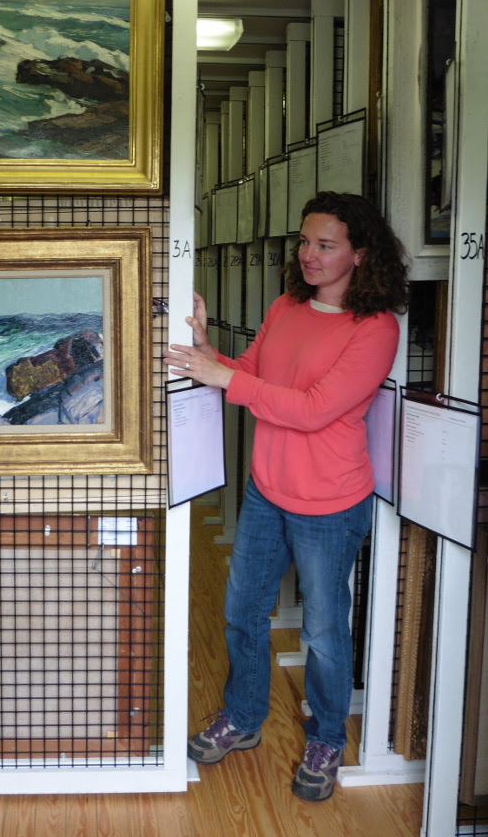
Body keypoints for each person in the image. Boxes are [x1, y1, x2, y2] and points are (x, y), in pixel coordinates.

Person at [163, 191, 409, 802]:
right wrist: (207, 348)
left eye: (325, 245)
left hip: (329, 501)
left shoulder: (376, 328)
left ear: (360, 254)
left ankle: (326, 737)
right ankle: (243, 719)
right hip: (267, 490)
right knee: (240, 611)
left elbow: (316, 410)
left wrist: (227, 376)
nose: (309, 255)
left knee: (325, 633)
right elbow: (251, 372)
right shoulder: (284, 305)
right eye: (304, 242)